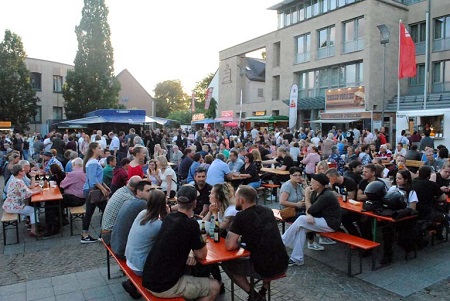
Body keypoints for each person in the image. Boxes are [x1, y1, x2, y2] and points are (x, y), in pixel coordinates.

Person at [142, 185, 221, 300]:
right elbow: (202, 255)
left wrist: (190, 251)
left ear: (178, 202)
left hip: (149, 277)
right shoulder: (191, 224)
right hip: (163, 286)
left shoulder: (169, 218)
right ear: (194, 203)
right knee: (215, 286)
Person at [222, 185, 288, 301]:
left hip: (265, 268)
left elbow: (230, 245)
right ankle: (263, 290)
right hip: (283, 262)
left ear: (241, 200)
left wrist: (238, 243)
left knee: (227, 264)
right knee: (266, 252)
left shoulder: (241, 216)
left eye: (235, 198)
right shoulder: (267, 210)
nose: (234, 200)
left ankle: (254, 296)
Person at [282, 174, 341, 266]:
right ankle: (297, 258)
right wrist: (309, 214)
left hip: (330, 224)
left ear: (318, 185)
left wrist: (306, 195)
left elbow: (310, 209)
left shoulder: (326, 195)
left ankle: (283, 240)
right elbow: (309, 209)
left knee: (301, 219)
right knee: (301, 227)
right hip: (320, 219)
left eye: (312, 182)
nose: (310, 184)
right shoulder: (315, 192)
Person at [123, 189, 169, 299]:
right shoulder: (157, 225)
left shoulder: (142, 213)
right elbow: (170, 239)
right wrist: (167, 214)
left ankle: (132, 285)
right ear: (163, 205)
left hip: (129, 258)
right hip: (140, 267)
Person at [380, 170, 419, 264]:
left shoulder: (411, 191)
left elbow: (412, 209)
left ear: (406, 180)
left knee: (394, 230)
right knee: (386, 230)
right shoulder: (393, 188)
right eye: (396, 178)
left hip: (404, 219)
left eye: (399, 178)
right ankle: (387, 254)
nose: (397, 180)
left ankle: (405, 248)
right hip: (392, 215)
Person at [110, 180, 153, 259]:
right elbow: (151, 224)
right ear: (139, 192)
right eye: (148, 191)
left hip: (115, 244)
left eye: (151, 190)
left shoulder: (130, 201)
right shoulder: (142, 204)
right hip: (123, 251)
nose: (150, 193)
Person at [81, 142, 110, 243]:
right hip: (93, 190)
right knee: (105, 210)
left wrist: (105, 186)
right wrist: (102, 189)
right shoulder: (93, 162)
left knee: (89, 212)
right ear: (93, 150)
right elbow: (93, 179)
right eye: (99, 148)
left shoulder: (91, 161)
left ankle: (86, 234)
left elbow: (96, 178)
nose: (101, 150)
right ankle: (102, 233)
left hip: (91, 189)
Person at [2, 164, 43, 237]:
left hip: (10, 204)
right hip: (13, 206)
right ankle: (33, 230)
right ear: (20, 172)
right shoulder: (19, 181)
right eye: (23, 170)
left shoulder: (15, 179)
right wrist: (39, 191)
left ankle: (31, 223)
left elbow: (26, 191)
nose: (24, 171)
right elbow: (27, 194)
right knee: (33, 210)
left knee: (30, 206)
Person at [101, 176, 142, 245]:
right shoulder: (130, 198)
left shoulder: (121, 190)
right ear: (136, 189)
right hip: (110, 235)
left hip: (105, 231)